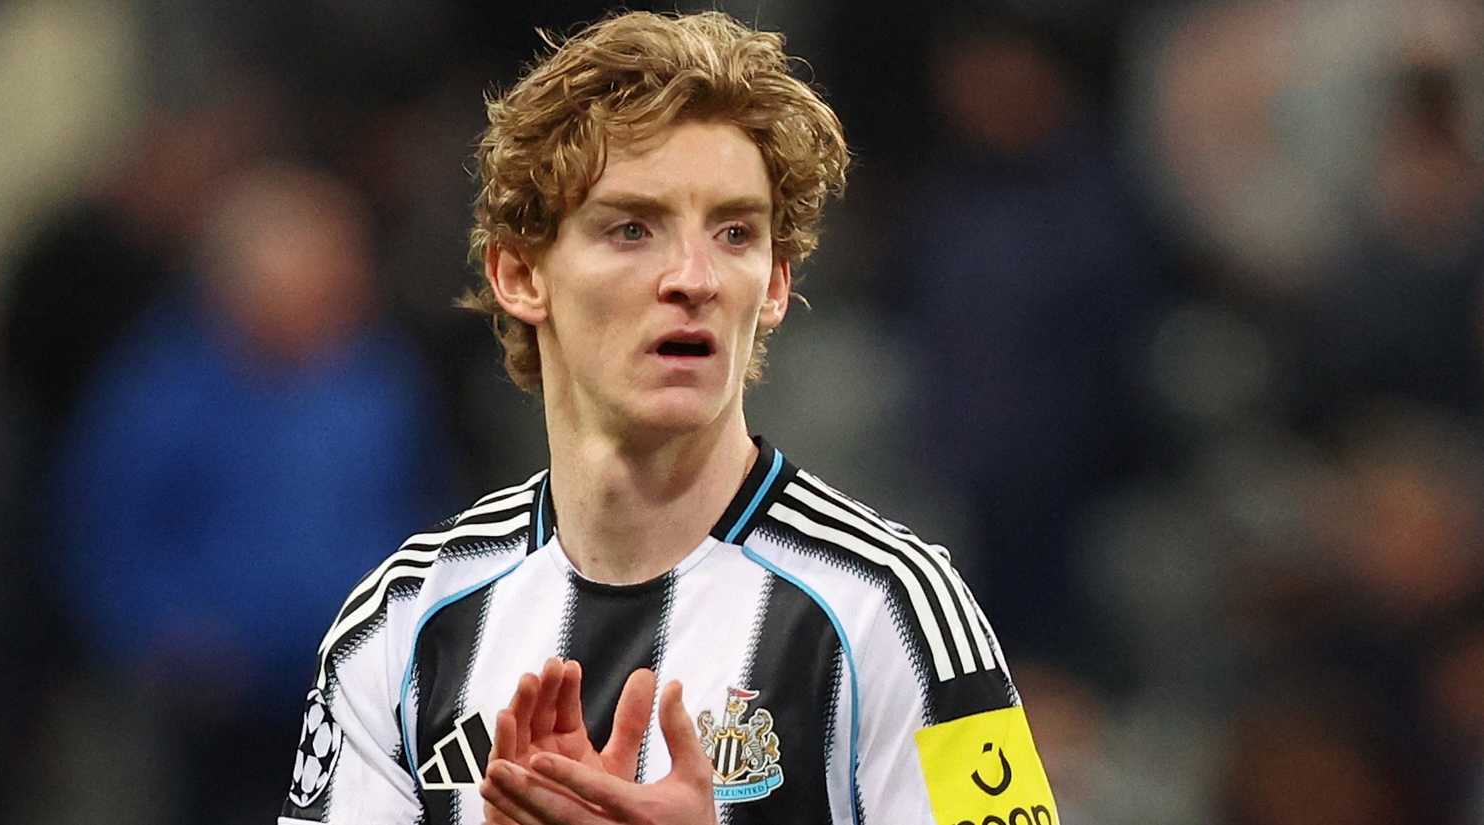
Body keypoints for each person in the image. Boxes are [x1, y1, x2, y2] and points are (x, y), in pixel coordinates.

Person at [279, 11, 1059, 825]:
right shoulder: (401, 623)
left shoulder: (894, 610)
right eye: (632, 229)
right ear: (520, 274)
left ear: (776, 285)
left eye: (735, 232)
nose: (694, 277)